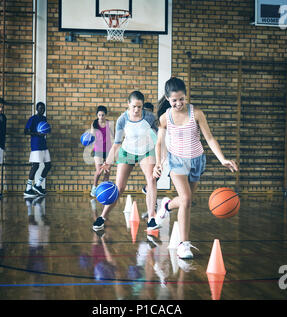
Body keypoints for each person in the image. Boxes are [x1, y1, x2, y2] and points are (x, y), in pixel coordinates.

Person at [153, 77, 238, 259]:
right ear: (168, 99)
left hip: (197, 160)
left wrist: (222, 158)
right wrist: (158, 164)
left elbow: (209, 138)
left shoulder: (196, 113)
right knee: (185, 199)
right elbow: (159, 143)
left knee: (187, 201)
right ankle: (184, 245)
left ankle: (167, 205)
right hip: (177, 161)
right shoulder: (164, 118)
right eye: (174, 100)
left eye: (182, 99)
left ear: (186, 95)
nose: (178, 103)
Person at [92, 91, 160, 232]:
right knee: (119, 187)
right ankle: (102, 217)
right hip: (127, 151)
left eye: (139, 107)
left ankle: (152, 219)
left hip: (146, 151)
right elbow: (116, 144)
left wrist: (159, 161)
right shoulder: (122, 119)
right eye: (134, 106)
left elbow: (158, 140)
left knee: (151, 180)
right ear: (128, 104)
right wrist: (108, 162)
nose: (136, 110)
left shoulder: (149, 117)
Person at [23, 102, 52, 197]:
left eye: (43, 108)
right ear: (37, 109)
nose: (42, 110)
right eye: (40, 108)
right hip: (35, 145)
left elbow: (46, 129)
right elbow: (25, 131)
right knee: (35, 166)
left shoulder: (44, 119)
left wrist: (47, 130)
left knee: (48, 165)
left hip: (43, 144)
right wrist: (37, 133)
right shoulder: (32, 119)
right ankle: (28, 189)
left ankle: (38, 185)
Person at [90, 105, 114, 197]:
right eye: (99, 115)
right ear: (97, 115)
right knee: (99, 171)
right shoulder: (94, 124)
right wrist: (92, 148)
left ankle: (104, 190)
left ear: (106, 115)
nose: (101, 117)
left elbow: (112, 137)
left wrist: (114, 150)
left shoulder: (110, 123)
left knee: (107, 172)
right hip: (98, 149)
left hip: (108, 149)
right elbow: (92, 137)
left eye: (103, 115)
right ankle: (94, 188)